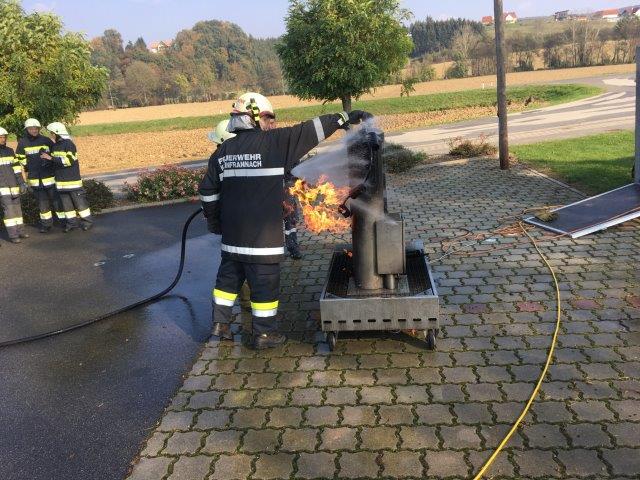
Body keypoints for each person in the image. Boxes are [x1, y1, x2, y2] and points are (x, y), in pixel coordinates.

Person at [199, 91, 369, 349]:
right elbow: (310, 130)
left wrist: (215, 222)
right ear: (256, 117)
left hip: (232, 240)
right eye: (269, 118)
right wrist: (344, 117)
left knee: (227, 281)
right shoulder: (275, 143)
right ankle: (263, 335)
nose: (272, 124)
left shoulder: (223, 151)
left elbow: (207, 192)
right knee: (264, 286)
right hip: (263, 241)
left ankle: (219, 326)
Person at [40, 122, 93, 232]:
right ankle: (71, 224)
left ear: (57, 133)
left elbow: (69, 161)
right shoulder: (55, 146)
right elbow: (54, 163)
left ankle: (87, 222)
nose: (51, 135)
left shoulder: (69, 144)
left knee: (81, 205)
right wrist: (45, 158)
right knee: (67, 207)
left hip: (73, 182)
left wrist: (50, 158)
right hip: (61, 183)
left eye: (52, 133)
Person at [16, 118, 62, 233]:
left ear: (39, 129)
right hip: (35, 179)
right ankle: (46, 224)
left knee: (56, 201)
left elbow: (55, 153)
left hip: (49, 176)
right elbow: (20, 158)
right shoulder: (22, 142)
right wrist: (28, 166)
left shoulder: (46, 140)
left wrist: (50, 162)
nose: (34, 130)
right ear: (27, 130)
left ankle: (63, 221)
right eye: (31, 129)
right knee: (42, 204)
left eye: (36, 128)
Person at [0, 127, 29, 244]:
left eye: (4, 137)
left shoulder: (10, 151)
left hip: (14, 185)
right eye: (0, 137)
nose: (3, 139)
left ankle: (21, 231)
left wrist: (21, 182)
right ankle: (13, 235)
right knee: (9, 211)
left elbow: (17, 169)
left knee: (17, 210)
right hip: (2, 188)